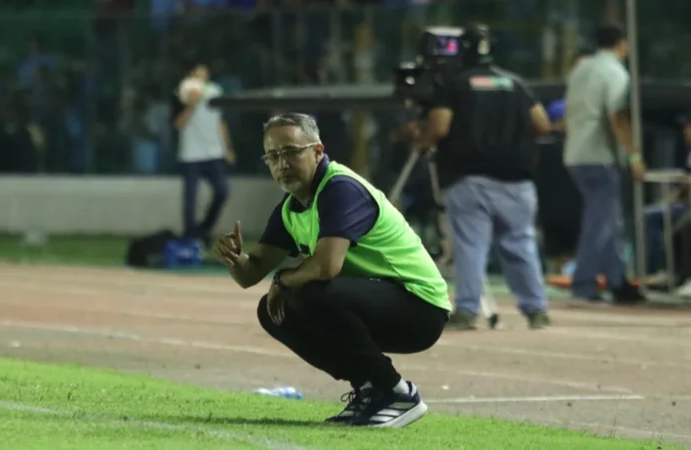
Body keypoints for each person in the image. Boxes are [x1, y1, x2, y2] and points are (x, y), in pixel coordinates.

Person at [212, 113, 452, 428]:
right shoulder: (291, 208)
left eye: (291, 152)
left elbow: (326, 266)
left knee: (309, 291)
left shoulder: (340, 189)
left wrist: (283, 280)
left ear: (318, 151)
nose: (282, 163)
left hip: (420, 307)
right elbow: (249, 275)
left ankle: (396, 392)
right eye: (273, 156)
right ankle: (368, 389)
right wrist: (234, 257)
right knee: (273, 311)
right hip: (378, 303)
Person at [417, 24, 553, 330]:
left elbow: (439, 127)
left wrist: (421, 141)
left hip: (470, 177)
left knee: (470, 246)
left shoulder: (454, 84)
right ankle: (536, 310)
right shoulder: (516, 83)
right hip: (518, 179)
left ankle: (466, 310)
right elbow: (542, 124)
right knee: (521, 244)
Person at [563, 23, 647, 304]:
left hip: (575, 153)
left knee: (609, 221)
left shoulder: (581, 68)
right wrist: (634, 156)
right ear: (622, 44)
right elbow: (618, 116)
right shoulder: (614, 72)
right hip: (599, 156)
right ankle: (584, 283)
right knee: (600, 223)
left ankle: (618, 281)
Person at [172, 61, 236, 245]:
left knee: (222, 191)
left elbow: (220, 122)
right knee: (190, 200)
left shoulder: (215, 91)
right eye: (197, 73)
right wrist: (192, 105)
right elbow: (177, 124)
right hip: (190, 155)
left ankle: (203, 230)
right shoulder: (182, 93)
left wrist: (227, 148)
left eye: (204, 72)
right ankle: (189, 236)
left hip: (213, 152)